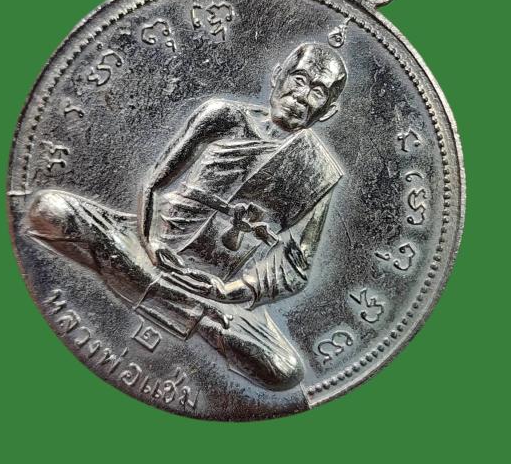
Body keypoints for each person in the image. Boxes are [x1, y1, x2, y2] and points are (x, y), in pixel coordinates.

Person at [27, 42, 348, 391]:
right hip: (149, 242)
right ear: (278, 76)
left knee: (284, 371)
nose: (302, 96)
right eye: (299, 80)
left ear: (328, 110)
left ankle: (152, 288)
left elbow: (296, 266)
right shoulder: (222, 116)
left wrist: (230, 291)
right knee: (50, 210)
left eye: (317, 92)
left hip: (216, 289)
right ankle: (187, 313)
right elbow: (155, 182)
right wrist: (151, 244)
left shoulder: (319, 170)